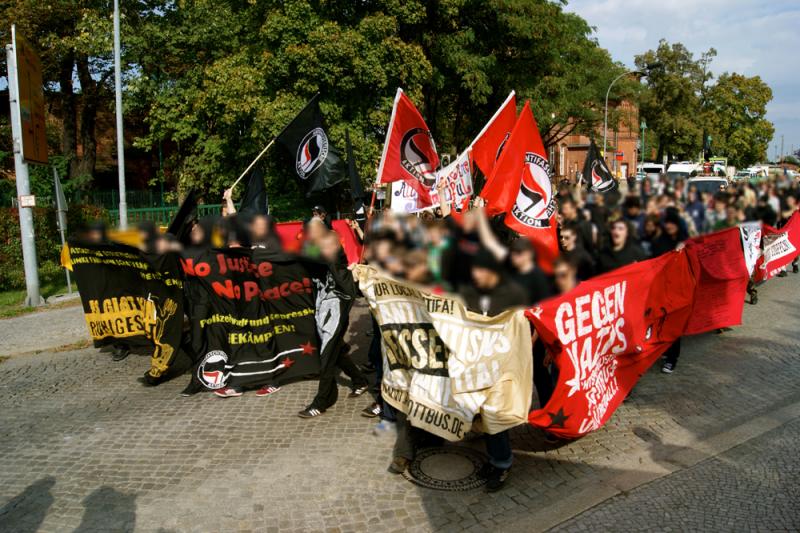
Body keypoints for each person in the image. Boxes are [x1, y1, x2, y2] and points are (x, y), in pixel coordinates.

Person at [458, 249, 528, 492]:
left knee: (494, 413)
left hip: (502, 365)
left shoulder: (508, 295)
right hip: (478, 364)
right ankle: (495, 459)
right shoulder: (468, 294)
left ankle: (502, 463)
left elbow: (523, 324)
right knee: (482, 412)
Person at [298, 231, 369, 418]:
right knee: (336, 353)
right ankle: (359, 380)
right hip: (323, 313)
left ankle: (322, 401)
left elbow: (348, 289)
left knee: (327, 356)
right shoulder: (318, 262)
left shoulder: (337, 264)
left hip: (336, 316)